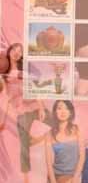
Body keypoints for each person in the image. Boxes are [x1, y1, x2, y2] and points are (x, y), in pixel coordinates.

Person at [4, 43, 52, 183]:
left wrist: (41, 108)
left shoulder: (23, 71)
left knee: (56, 127)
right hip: (21, 110)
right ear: (10, 50)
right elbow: (7, 97)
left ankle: (52, 174)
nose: (17, 52)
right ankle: (26, 180)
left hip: (34, 105)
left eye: (20, 51)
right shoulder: (4, 73)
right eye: (15, 49)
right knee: (24, 145)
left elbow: (35, 88)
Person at [45, 100, 85, 183]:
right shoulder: (49, 134)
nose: (63, 112)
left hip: (73, 176)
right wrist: (53, 181)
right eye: (59, 108)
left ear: (70, 112)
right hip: (55, 176)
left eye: (66, 108)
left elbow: (82, 156)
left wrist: (75, 178)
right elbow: (48, 162)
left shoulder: (77, 130)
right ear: (55, 112)